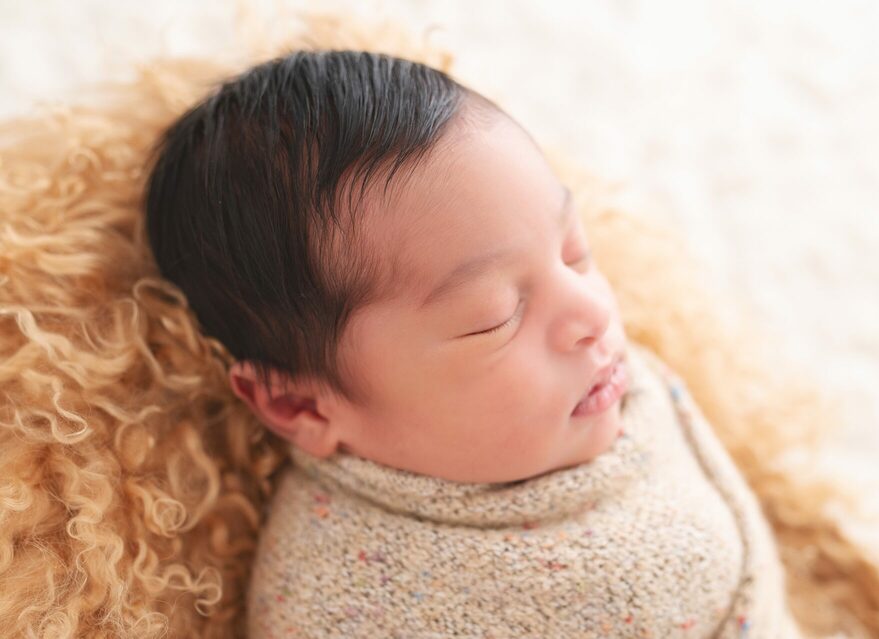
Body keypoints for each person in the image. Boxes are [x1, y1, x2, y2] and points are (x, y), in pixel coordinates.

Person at [145, 49, 805, 638]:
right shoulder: (349, 609)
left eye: (574, 251)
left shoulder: (585, 378)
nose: (591, 311)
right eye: (495, 317)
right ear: (302, 406)